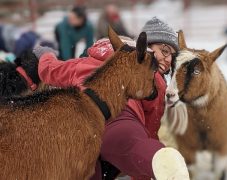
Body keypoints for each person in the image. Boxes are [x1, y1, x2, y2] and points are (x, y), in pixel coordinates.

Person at [33, 17, 190, 180]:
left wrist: (46, 55)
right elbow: (152, 123)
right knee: (131, 145)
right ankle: (165, 162)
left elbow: (49, 70)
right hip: (120, 118)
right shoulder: (149, 73)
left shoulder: (81, 63)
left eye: (172, 55)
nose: (168, 59)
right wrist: (146, 164)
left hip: (80, 124)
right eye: (164, 50)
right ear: (145, 48)